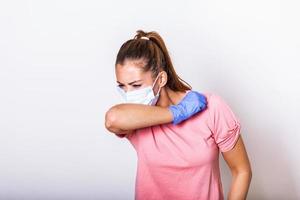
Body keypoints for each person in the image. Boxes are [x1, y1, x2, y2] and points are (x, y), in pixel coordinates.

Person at [105, 30, 252, 200]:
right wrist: (177, 113)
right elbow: (112, 119)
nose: (128, 93)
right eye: (122, 86)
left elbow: (241, 170)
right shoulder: (136, 119)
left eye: (136, 85)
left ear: (160, 80)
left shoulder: (211, 108)